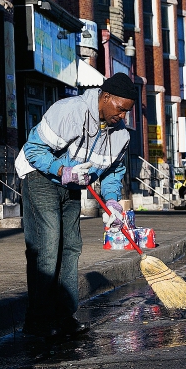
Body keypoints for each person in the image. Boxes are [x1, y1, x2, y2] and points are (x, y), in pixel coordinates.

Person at [15, 74, 135, 338]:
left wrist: (112, 201)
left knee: (71, 247)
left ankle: (63, 315)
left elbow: (114, 171)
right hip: (39, 176)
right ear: (105, 97)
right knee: (47, 245)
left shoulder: (120, 135)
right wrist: (62, 170)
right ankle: (38, 322)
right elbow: (33, 149)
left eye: (128, 111)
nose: (123, 116)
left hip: (71, 186)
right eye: (121, 109)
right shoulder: (70, 111)